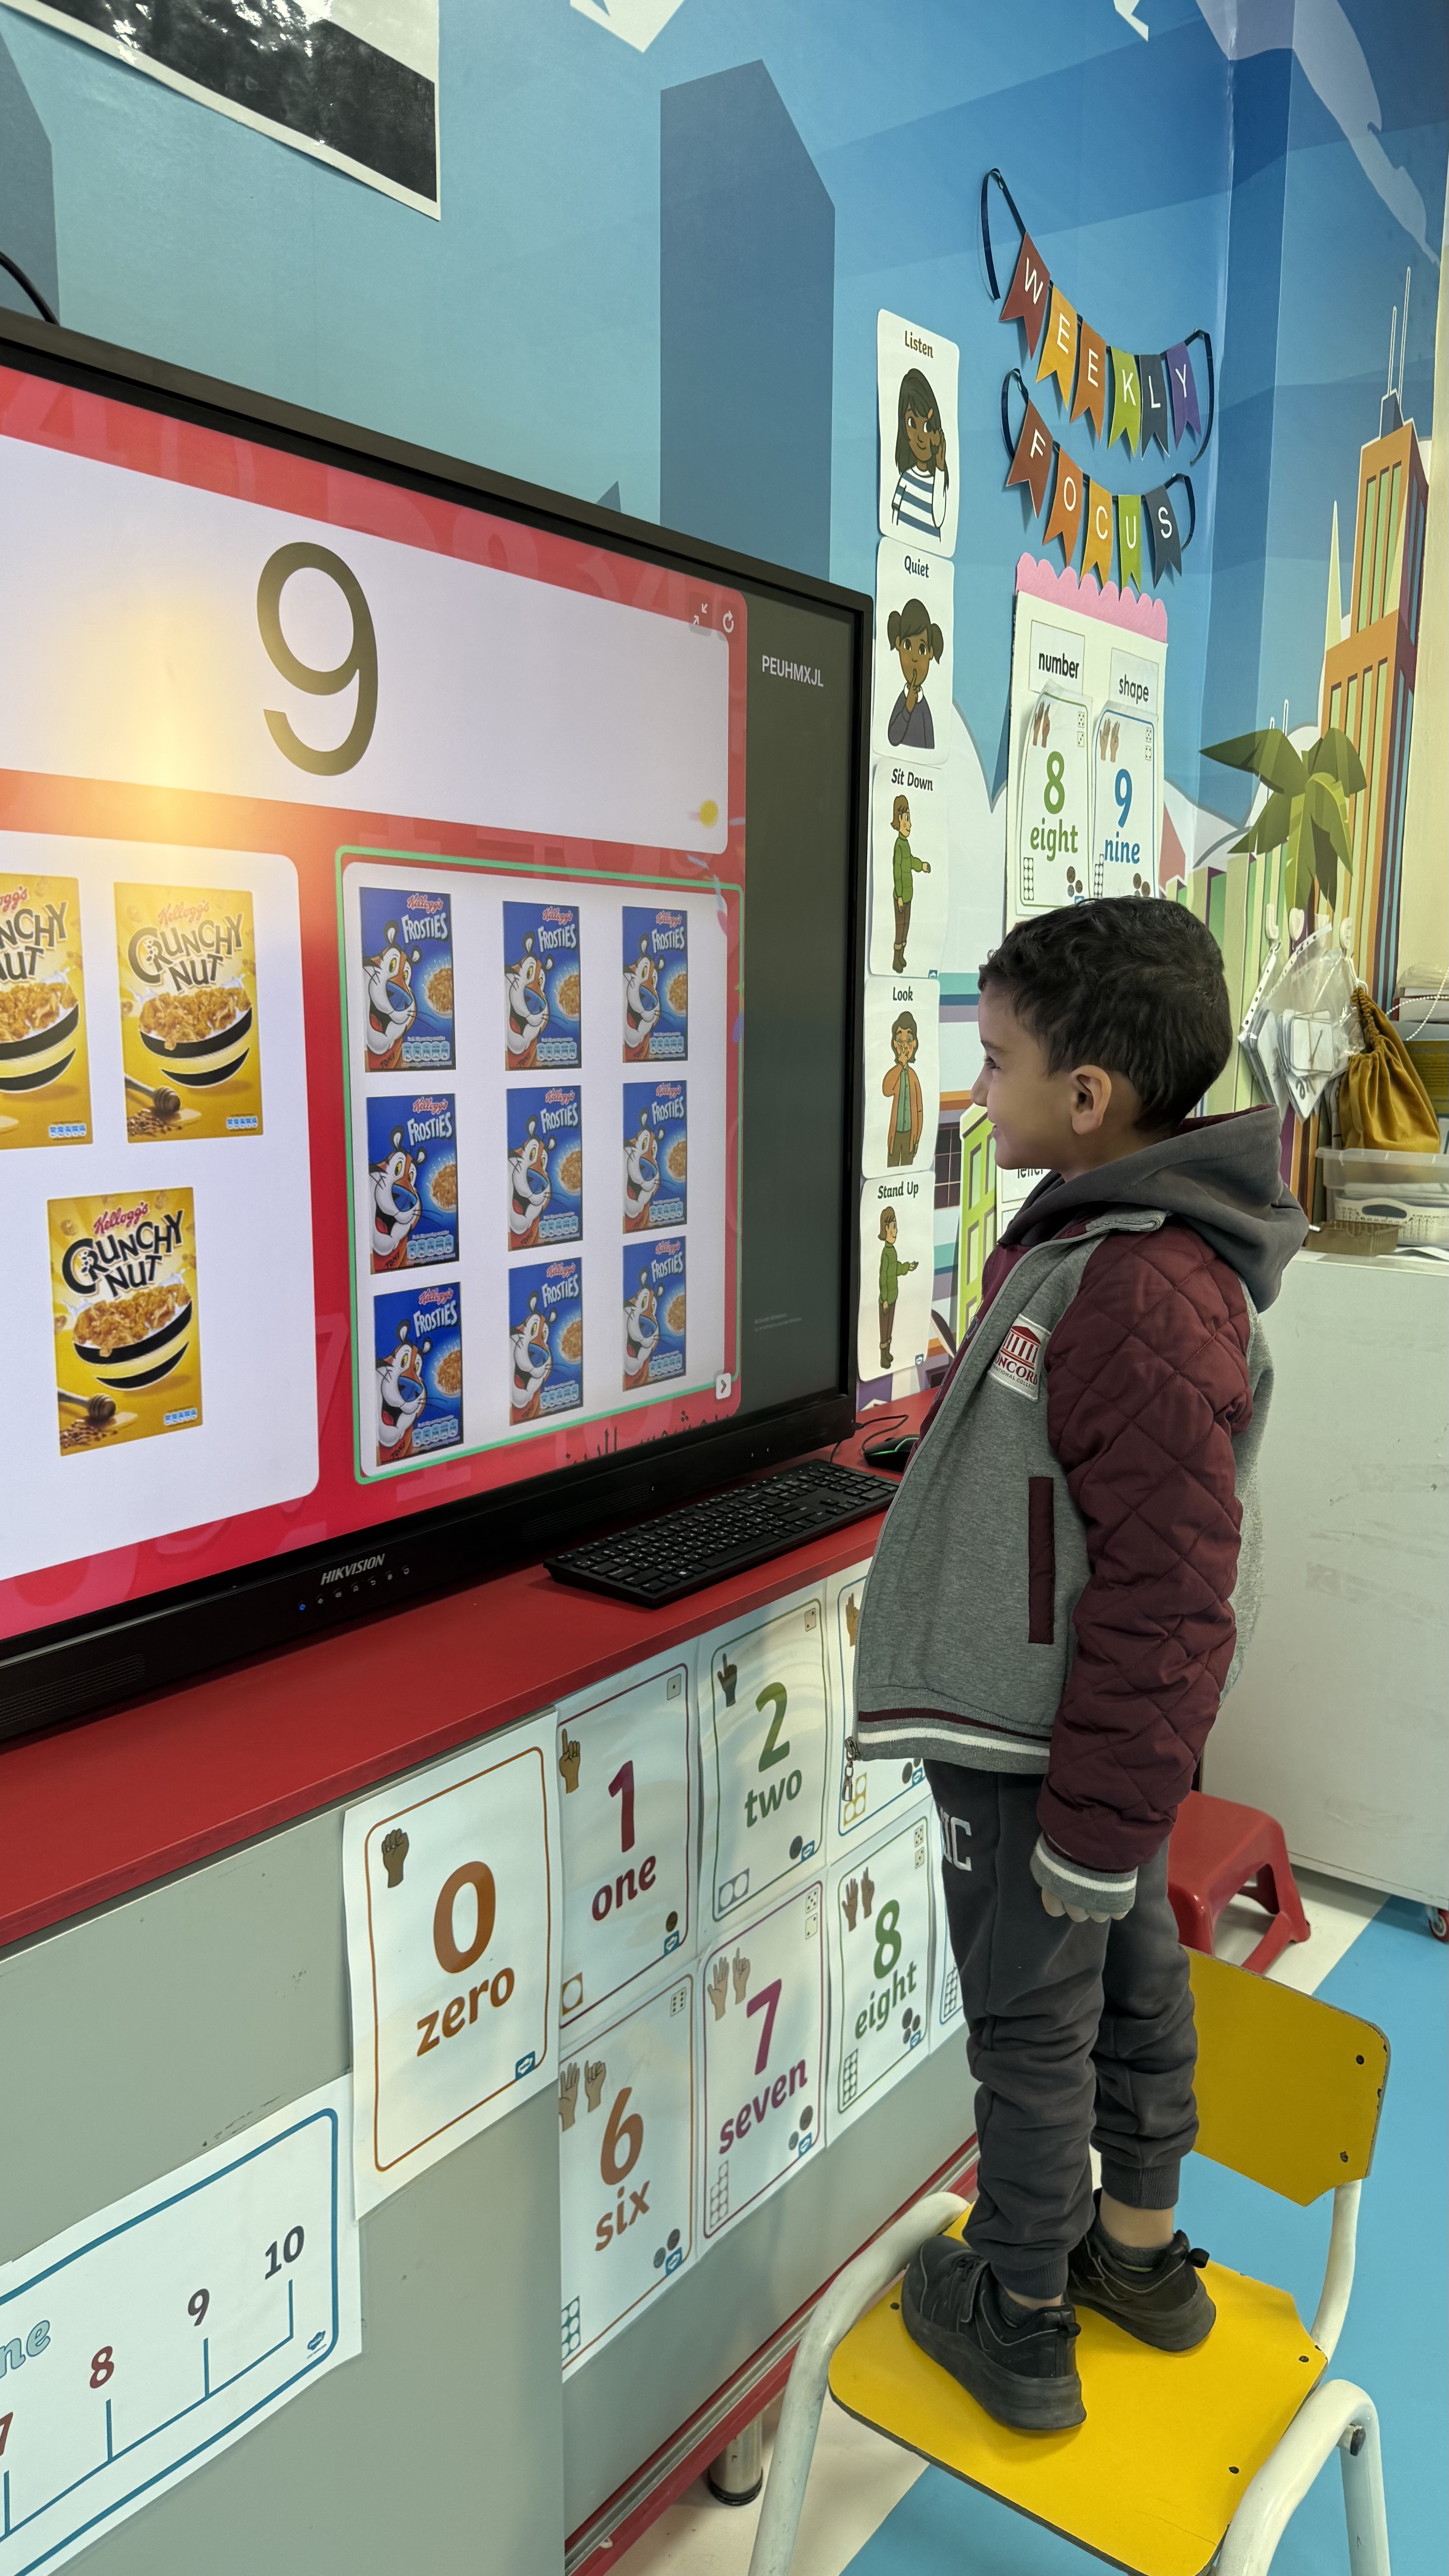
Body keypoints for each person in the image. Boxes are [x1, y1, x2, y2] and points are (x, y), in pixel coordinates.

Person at [852, 898, 1306, 2433]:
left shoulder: (1136, 1286)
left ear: (1089, 1096)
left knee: (1028, 2026)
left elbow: (1170, 1592)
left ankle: (1022, 2313)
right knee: (1124, 1979)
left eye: (995, 1062)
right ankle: (1137, 2256)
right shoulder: (1109, 1245)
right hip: (1095, 1746)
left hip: (1049, 1752)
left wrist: (1091, 1827)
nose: (976, 1090)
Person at [889, 366, 950, 540]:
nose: (921, 437)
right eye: (912, 424)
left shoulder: (937, 483)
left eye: (927, 427)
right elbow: (894, 521)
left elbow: (938, 520)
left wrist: (940, 467)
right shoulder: (906, 479)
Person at [885, 599, 944, 750]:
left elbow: (930, 747)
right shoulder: (903, 701)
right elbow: (893, 737)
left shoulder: (924, 707)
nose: (915, 658)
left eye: (922, 650)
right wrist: (907, 709)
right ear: (898, 644)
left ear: (930, 653)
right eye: (908, 645)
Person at [888, 795, 930, 971]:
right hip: (901, 897)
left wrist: (921, 866)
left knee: (906, 927)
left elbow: (911, 861)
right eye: (906, 819)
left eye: (909, 819)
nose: (910, 824)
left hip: (909, 896)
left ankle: (902, 956)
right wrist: (899, 896)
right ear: (899, 819)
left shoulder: (906, 845)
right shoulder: (899, 845)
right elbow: (897, 872)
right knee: (900, 929)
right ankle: (896, 959)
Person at [877, 1206, 917, 1371]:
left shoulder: (893, 1252)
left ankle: (887, 1353)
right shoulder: (886, 1253)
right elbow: (883, 1277)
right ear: (886, 1228)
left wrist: (908, 1267)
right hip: (886, 1300)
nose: (896, 1231)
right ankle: (883, 1357)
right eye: (893, 1227)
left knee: (890, 1327)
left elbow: (896, 1269)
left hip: (893, 1297)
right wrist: (885, 1299)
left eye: (896, 1227)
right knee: (884, 1329)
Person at [883, 1009, 924, 1167]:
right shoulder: (896, 1073)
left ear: (914, 1044)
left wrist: (917, 1138)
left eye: (909, 1040)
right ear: (894, 1043)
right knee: (891, 1167)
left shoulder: (913, 1077)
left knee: (907, 1169)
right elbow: (887, 1090)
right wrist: (901, 1065)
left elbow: (919, 1110)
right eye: (900, 1040)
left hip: (910, 1136)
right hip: (896, 1135)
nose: (905, 1045)